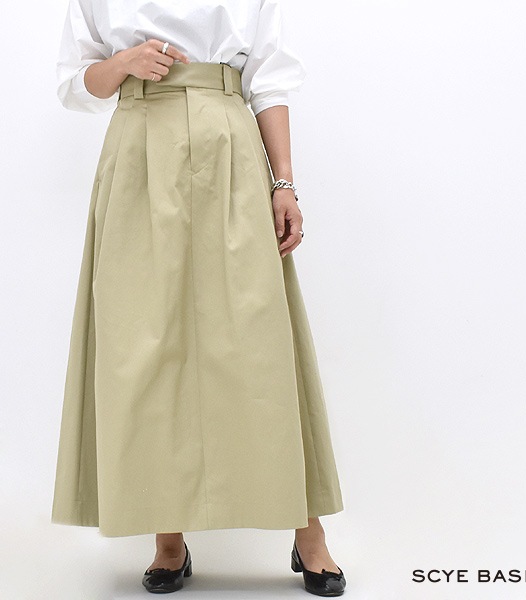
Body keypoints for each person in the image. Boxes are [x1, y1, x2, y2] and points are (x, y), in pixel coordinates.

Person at [50, 0, 347, 596]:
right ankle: (168, 539)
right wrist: (123, 64)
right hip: (139, 148)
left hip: (228, 145)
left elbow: (269, 77)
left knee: (258, 343)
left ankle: (308, 533)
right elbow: (75, 84)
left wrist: (284, 183)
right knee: (145, 345)